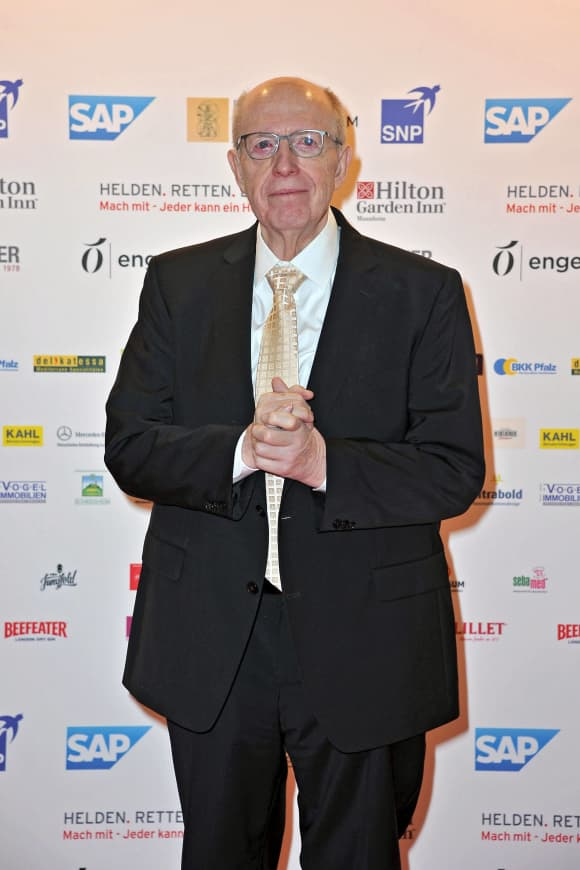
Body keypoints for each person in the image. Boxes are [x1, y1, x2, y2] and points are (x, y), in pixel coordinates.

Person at [105, 76, 484, 870]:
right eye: (262, 144)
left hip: (366, 639)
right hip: (214, 638)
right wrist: (241, 451)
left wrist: (325, 463)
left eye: (307, 142)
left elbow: (453, 470)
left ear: (342, 160)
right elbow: (130, 446)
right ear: (235, 165)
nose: (284, 164)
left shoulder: (424, 294)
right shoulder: (177, 283)